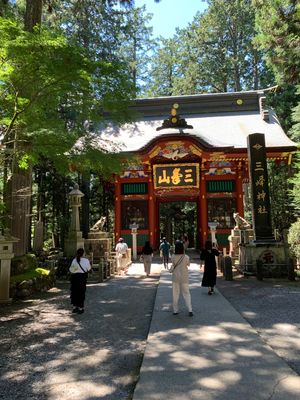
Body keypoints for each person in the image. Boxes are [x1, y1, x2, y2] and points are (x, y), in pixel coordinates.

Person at [171, 240, 193, 316]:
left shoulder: (173, 256)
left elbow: (173, 264)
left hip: (175, 277)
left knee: (175, 294)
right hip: (184, 277)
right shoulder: (186, 257)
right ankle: (190, 310)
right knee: (186, 293)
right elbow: (188, 264)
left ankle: (175, 310)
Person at [69, 248, 91, 314]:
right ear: (83, 253)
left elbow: (71, 270)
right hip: (82, 278)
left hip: (75, 278)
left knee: (74, 292)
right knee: (81, 293)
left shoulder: (74, 260)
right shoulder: (86, 260)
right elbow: (88, 269)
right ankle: (81, 307)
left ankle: (74, 307)